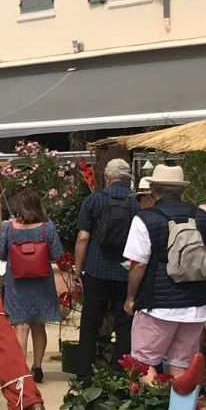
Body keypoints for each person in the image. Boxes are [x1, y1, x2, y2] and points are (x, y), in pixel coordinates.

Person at [123, 164, 206, 380]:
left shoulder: (144, 218)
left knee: (144, 364)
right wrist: (200, 275)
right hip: (196, 306)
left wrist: (131, 298)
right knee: (182, 366)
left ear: (153, 190)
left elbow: (139, 265)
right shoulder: (205, 217)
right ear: (182, 190)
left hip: (157, 306)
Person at [72, 158, 137, 380]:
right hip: (125, 271)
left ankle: (84, 373)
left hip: (95, 271)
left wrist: (77, 269)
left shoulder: (93, 201)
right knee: (124, 324)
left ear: (107, 177)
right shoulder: (135, 204)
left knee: (90, 323)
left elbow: (83, 238)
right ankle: (119, 373)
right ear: (128, 179)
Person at [0, 189, 64, 383]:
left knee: (21, 325)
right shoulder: (48, 227)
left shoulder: (8, 227)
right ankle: (38, 366)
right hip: (42, 281)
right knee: (38, 323)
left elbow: (0, 253)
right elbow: (57, 253)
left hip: (17, 282)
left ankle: (21, 371)